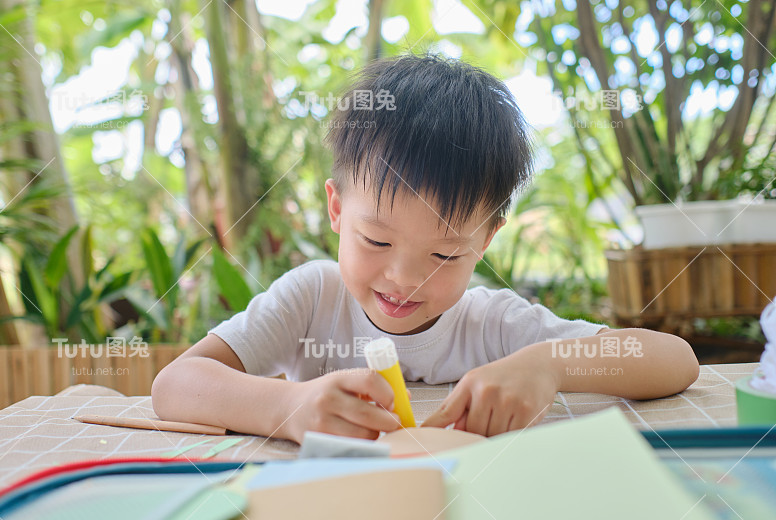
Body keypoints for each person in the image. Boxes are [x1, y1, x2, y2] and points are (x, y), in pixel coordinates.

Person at [152, 53, 699, 443]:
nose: (402, 278)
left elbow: (677, 361)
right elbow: (175, 385)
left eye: (443, 255)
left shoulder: (492, 325)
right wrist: (288, 406)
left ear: (486, 240)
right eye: (376, 240)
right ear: (337, 209)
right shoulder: (312, 299)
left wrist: (549, 364)